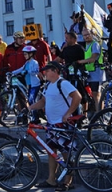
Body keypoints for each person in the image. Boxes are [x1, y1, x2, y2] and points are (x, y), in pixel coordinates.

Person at [29, 62, 82, 191]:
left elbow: (77, 97)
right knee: (51, 152)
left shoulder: (63, 83)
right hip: (52, 125)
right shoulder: (48, 85)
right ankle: (51, 179)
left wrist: (68, 113)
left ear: (54, 70)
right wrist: (30, 108)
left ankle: (67, 182)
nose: (44, 73)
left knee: (66, 154)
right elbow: (43, 102)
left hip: (63, 124)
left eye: (46, 71)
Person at [77, 28, 106, 115]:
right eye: (84, 35)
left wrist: (80, 61)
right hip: (89, 72)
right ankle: (94, 113)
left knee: (96, 94)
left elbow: (93, 58)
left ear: (92, 34)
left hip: (97, 72)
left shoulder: (95, 44)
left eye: (88, 34)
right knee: (91, 94)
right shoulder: (85, 46)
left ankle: (99, 114)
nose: (86, 37)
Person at [12, 45, 41, 121]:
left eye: (25, 54)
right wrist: (12, 73)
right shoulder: (26, 63)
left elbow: (36, 71)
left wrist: (27, 71)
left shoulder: (34, 62)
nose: (24, 56)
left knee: (31, 100)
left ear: (31, 54)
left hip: (35, 84)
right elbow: (21, 69)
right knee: (30, 100)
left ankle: (36, 118)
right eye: (24, 54)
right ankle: (33, 116)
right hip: (29, 84)